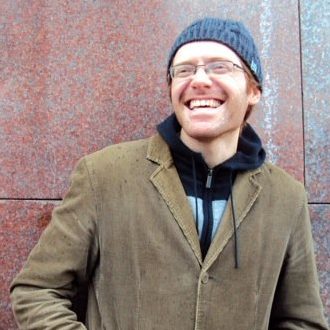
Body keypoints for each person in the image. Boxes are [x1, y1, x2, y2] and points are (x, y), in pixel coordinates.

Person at [10, 17, 328, 329]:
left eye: (220, 66)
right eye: (184, 70)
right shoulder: (103, 175)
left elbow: (303, 320)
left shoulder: (286, 196)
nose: (199, 80)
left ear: (254, 90)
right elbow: (37, 292)